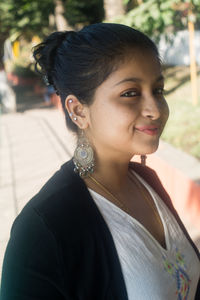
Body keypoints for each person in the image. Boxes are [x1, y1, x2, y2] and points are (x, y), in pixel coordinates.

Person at [0, 23, 199, 300]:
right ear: (78, 110)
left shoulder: (146, 181)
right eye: (130, 93)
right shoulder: (43, 231)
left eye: (158, 89)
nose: (155, 109)